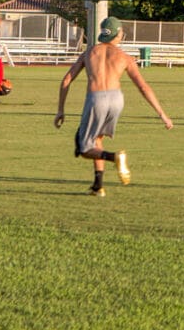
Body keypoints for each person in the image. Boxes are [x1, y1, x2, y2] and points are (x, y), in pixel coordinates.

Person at [55, 16, 173, 197]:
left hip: (96, 98)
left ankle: (114, 157)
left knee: (84, 148)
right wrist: (162, 114)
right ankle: (98, 186)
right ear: (118, 34)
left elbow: (66, 80)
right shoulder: (125, 57)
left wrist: (60, 110)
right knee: (97, 140)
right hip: (117, 99)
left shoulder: (89, 53)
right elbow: (143, 86)